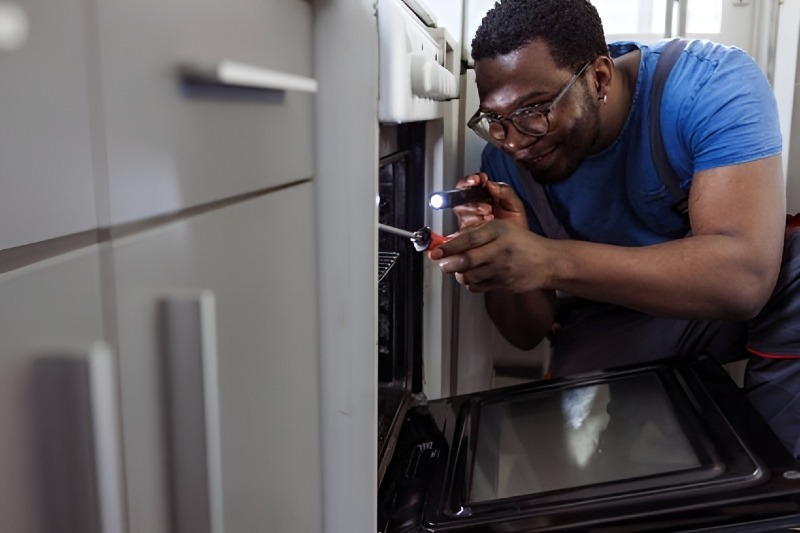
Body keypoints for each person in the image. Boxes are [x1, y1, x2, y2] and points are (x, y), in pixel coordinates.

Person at [428, 0, 800, 457]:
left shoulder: (710, 86)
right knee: (587, 466)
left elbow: (744, 281)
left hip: (717, 311)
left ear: (599, 77)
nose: (515, 143)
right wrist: (502, 265)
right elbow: (527, 332)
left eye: (534, 111)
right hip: (606, 322)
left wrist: (547, 259)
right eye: (496, 120)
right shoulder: (505, 162)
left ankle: (774, 485)